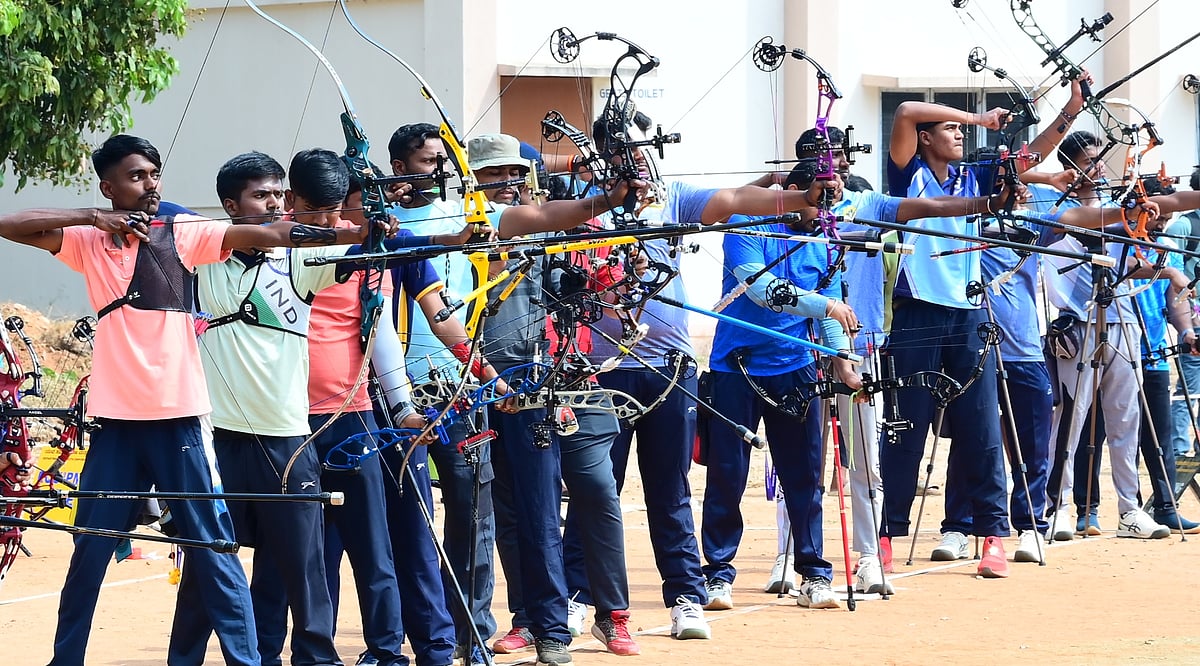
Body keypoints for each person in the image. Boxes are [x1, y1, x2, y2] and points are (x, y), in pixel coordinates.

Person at [0, 134, 365, 666]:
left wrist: (355, 229)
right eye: (135, 176)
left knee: (215, 550)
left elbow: (269, 233)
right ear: (109, 187)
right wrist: (93, 217)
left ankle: (245, 661)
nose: (150, 185)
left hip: (180, 420)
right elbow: (11, 224)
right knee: (90, 549)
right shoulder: (87, 240)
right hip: (116, 423)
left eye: (154, 174)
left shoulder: (183, 234)